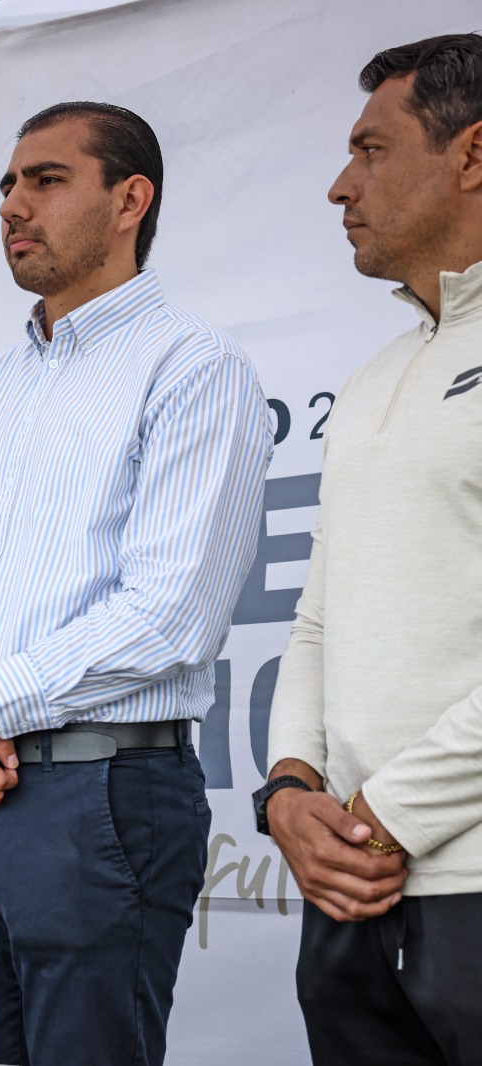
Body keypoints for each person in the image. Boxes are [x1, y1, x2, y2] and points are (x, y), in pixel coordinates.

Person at [0, 103, 271, 1065]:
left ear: (131, 199)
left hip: (98, 796)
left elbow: (171, 614)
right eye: (8, 184)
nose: (13, 204)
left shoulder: (192, 368)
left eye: (46, 180)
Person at [262, 35, 482, 1065]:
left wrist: (380, 815)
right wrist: (287, 793)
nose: (338, 185)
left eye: (370, 149)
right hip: (352, 889)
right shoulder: (370, 378)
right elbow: (318, 617)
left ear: (471, 155)